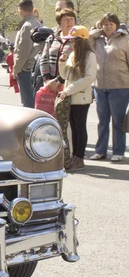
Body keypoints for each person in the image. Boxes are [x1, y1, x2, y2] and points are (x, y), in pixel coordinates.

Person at [45, 26, 95, 171]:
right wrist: (62, 62)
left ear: (81, 41)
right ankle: (74, 155)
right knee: (72, 127)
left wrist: (68, 90)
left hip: (80, 97)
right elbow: (65, 74)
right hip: (70, 96)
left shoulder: (89, 55)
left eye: (73, 40)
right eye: (70, 41)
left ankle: (79, 157)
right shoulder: (73, 55)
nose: (71, 43)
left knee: (79, 127)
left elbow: (89, 78)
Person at [89, 12, 129, 162]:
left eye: (111, 24)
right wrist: (98, 31)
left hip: (120, 86)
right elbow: (86, 39)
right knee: (102, 121)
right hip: (100, 86)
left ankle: (118, 151)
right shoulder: (98, 40)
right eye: (105, 24)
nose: (108, 27)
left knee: (117, 121)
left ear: (117, 25)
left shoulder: (125, 39)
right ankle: (100, 151)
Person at [13, 0, 42, 108]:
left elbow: (23, 51)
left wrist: (16, 69)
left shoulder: (26, 26)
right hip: (34, 67)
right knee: (32, 99)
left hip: (26, 68)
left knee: (27, 102)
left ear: (21, 10)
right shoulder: (37, 23)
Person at [40, 9, 76, 88]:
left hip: (68, 84)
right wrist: (47, 80)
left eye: (72, 19)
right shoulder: (52, 38)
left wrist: (58, 80)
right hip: (50, 83)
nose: (69, 22)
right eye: (66, 20)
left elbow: (76, 64)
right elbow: (44, 59)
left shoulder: (78, 40)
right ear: (59, 23)